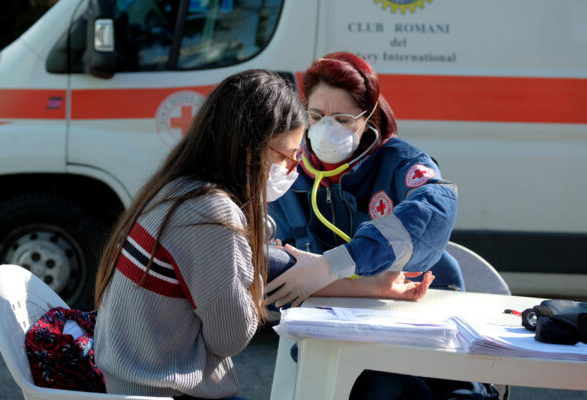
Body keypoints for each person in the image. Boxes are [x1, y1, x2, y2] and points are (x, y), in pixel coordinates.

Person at [92, 69, 433, 400]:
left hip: (128, 382)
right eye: (287, 156)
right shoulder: (212, 215)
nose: (291, 169)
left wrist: (374, 285)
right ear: (249, 148)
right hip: (164, 391)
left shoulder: (178, 189)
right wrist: (253, 270)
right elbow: (231, 336)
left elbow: (275, 264)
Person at [265, 53, 498, 399]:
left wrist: (334, 265)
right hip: (342, 336)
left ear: (368, 118)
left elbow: (435, 210)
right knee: (381, 389)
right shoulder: (288, 174)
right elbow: (271, 281)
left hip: (421, 319)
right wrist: (375, 285)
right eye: (316, 116)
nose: (326, 128)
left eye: (342, 119)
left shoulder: (400, 163)